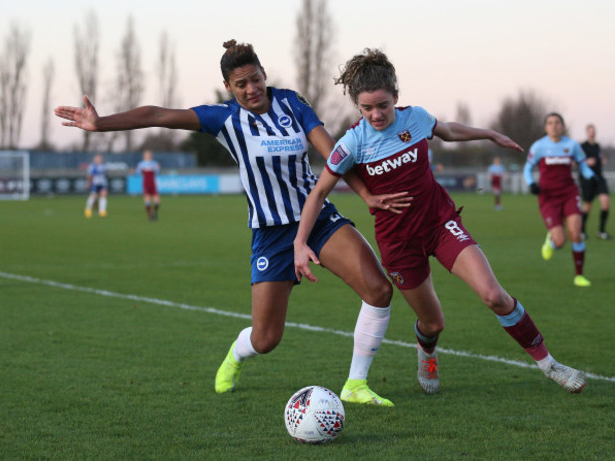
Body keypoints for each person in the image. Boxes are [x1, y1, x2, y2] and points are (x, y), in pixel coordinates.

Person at [55, 40, 409, 406]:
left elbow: (332, 154)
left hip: (317, 219)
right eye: (241, 84)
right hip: (271, 234)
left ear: (264, 75)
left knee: (378, 290)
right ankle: (237, 355)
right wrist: (101, 124)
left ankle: (355, 384)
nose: (251, 89)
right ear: (229, 87)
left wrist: (364, 193)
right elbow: (157, 115)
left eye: (255, 79)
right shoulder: (223, 117)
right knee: (266, 339)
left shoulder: (292, 102)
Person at [293, 48, 587, 395]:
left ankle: (550, 364)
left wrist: (489, 134)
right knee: (433, 323)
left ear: (396, 97)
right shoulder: (352, 143)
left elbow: (448, 130)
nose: (376, 114)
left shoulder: (414, 118)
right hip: (399, 243)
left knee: (494, 295)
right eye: (367, 108)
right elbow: (318, 193)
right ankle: (427, 352)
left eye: (383, 105)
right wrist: (300, 242)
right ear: (358, 107)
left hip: (439, 223)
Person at [524, 113, 596, 288]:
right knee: (560, 241)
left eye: (557, 123)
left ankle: (579, 275)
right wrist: (531, 183)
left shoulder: (571, 145)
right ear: (545, 127)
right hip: (548, 197)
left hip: (569, 193)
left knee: (575, 232)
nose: (554, 126)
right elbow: (527, 168)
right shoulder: (539, 146)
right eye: (550, 123)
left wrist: (592, 177)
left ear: (562, 126)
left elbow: (583, 166)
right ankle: (552, 241)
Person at [580, 124, 611, 240]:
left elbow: (600, 157)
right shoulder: (582, 146)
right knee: (587, 205)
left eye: (594, 131)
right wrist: (586, 161)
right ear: (587, 132)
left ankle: (601, 231)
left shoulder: (598, 146)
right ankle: (582, 231)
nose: (592, 133)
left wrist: (602, 160)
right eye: (590, 131)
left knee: (605, 202)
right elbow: (577, 161)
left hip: (599, 177)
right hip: (587, 179)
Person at [134, 150, 161, 220]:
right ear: (144, 156)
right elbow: (137, 173)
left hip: (153, 183)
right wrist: (134, 171)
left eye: (149, 154)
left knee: (157, 201)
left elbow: (157, 172)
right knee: (147, 200)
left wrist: (158, 168)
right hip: (146, 183)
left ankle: (153, 212)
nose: (148, 156)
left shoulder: (154, 163)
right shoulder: (141, 164)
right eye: (146, 154)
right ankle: (150, 215)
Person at [84, 154, 108, 218]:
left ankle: (102, 211)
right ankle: (88, 210)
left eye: (100, 158)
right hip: (95, 183)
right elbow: (90, 175)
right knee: (93, 196)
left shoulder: (104, 166)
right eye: (97, 158)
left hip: (102, 183)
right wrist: (88, 183)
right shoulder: (92, 166)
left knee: (103, 195)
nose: (99, 159)